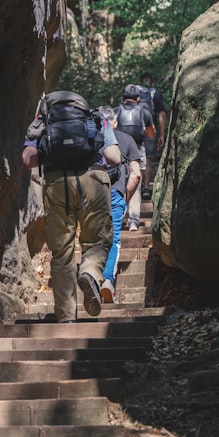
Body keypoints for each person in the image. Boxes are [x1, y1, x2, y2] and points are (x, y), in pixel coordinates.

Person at [21, 91, 120, 323]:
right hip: (93, 180)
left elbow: (27, 160)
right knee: (98, 240)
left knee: (61, 251)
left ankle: (66, 317)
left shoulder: (42, 122)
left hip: (57, 183)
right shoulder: (95, 118)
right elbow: (114, 157)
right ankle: (89, 272)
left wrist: (47, 149)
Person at [99, 106, 141, 303]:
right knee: (114, 238)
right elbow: (136, 173)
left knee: (92, 239)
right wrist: (126, 198)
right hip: (116, 192)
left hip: (91, 194)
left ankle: (90, 276)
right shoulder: (126, 139)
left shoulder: (89, 136)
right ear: (114, 122)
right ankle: (107, 280)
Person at [114, 84, 155, 231]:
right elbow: (151, 133)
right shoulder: (143, 111)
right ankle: (133, 220)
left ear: (123, 98)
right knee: (136, 181)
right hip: (137, 149)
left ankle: (116, 216)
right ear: (138, 99)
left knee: (117, 181)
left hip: (118, 149)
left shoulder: (116, 111)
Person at [138, 71, 169, 200]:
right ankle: (146, 188)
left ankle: (137, 187)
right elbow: (162, 114)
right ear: (152, 82)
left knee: (137, 158)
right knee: (149, 159)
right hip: (151, 129)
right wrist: (162, 135)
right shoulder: (155, 93)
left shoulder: (134, 93)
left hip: (136, 130)